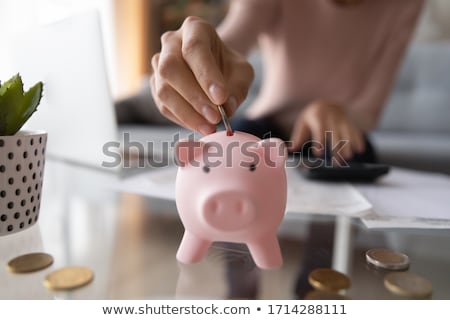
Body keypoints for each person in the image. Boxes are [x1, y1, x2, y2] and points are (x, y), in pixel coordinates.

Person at [149, 0, 424, 163]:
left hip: (339, 134)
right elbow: (233, 38)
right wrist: (202, 50)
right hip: (269, 126)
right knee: (235, 150)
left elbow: (369, 111)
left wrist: (332, 110)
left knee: (355, 157)